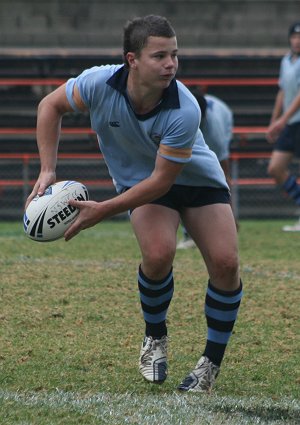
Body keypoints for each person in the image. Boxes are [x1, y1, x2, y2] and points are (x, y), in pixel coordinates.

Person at [26, 15, 243, 393]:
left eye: (174, 55)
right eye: (160, 56)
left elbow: (163, 180)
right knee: (158, 255)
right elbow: (49, 106)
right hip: (142, 184)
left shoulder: (184, 107)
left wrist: (103, 210)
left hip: (197, 184)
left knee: (226, 264)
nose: (171, 64)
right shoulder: (99, 83)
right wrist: (47, 171)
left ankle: (210, 364)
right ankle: (155, 337)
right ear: (132, 60)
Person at [177, 90, 236, 249]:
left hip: (223, 120)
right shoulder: (177, 116)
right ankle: (188, 232)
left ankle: (226, 221)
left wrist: (231, 212)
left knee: (213, 177)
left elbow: (224, 171)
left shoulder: (215, 132)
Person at [267, 22, 300, 232]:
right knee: (275, 168)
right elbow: (282, 91)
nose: (297, 40)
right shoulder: (286, 61)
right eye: (295, 36)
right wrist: (274, 120)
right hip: (290, 123)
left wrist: (282, 119)